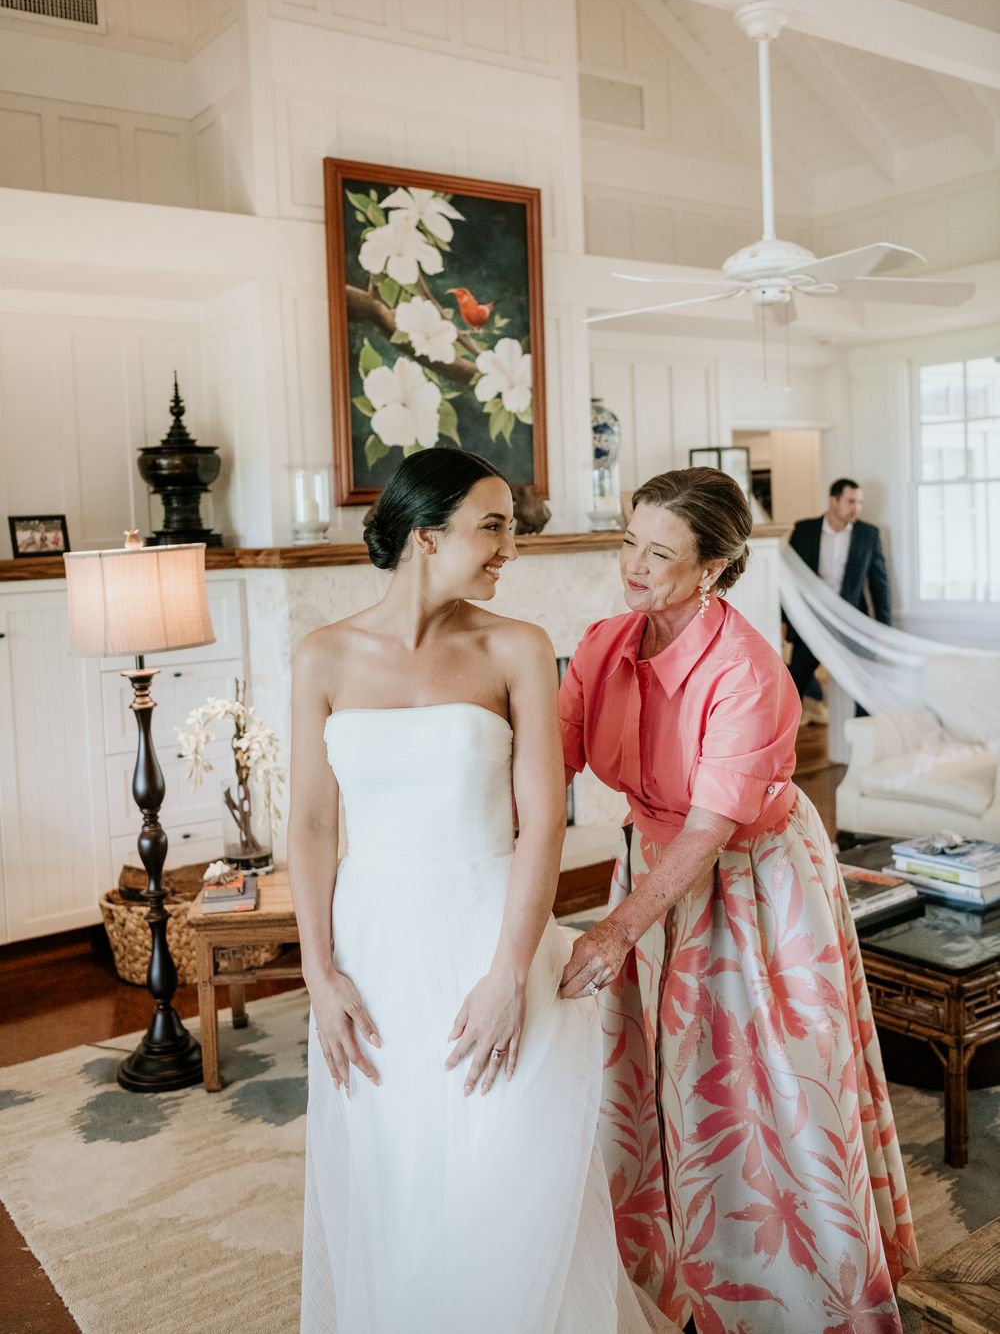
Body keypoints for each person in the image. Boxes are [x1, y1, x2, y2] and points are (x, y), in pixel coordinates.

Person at [289, 448, 679, 1334]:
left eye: (512, 527)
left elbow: (541, 821)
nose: (511, 547)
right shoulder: (322, 657)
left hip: (486, 929)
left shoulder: (517, 647)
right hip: (372, 942)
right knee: (398, 1165)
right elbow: (311, 827)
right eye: (492, 526)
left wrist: (510, 972)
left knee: (507, 1166)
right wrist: (318, 972)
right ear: (426, 536)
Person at [558, 467, 917, 1334]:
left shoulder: (748, 669)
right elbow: (549, 761)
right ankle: (666, 1275)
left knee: (768, 1088)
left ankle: (795, 1291)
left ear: (714, 567)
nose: (631, 565)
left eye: (658, 552)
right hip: (653, 863)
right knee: (650, 1079)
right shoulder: (606, 642)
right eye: (627, 540)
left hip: (754, 882)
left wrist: (613, 931)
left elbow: (711, 830)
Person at [786, 478, 891, 700]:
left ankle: (862, 732)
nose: (857, 508)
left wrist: (883, 629)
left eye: (859, 503)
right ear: (833, 500)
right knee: (792, 687)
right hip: (811, 621)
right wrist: (785, 620)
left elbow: (879, 585)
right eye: (851, 501)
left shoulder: (868, 534)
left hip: (851, 623)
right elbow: (788, 577)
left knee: (866, 686)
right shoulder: (804, 530)